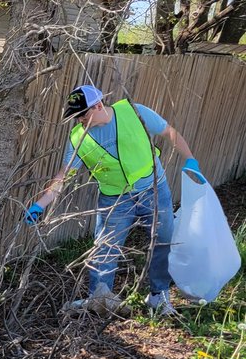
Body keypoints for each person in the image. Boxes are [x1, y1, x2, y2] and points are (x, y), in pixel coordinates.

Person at [24, 85, 204, 316]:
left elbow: (168, 132)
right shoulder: (79, 138)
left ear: (98, 105)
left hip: (154, 190)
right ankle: (100, 297)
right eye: (76, 117)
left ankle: (158, 295)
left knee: (164, 240)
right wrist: (41, 204)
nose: (79, 121)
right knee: (105, 247)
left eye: (82, 115)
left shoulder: (134, 111)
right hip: (115, 200)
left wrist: (190, 158)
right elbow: (64, 175)